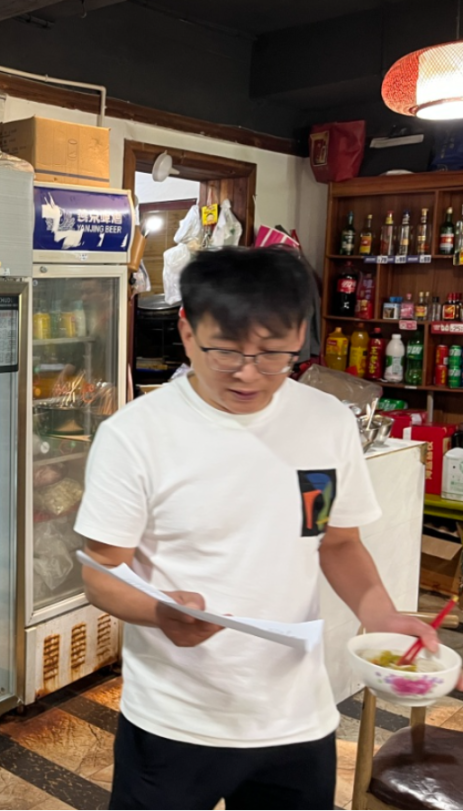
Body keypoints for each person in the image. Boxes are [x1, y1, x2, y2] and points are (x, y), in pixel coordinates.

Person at [75, 245, 448, 811]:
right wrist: (157, 610)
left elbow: (338, 542)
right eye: (225, 351)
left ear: (300, 336)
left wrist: (380, 613)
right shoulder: (135, 435)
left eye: (274, 354)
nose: (249, 374)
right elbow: (101, 573)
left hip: (296, 719)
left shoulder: (326, 422)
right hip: (175, 720)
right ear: (187, 331)